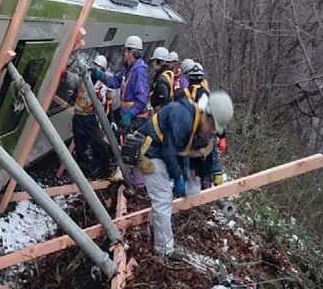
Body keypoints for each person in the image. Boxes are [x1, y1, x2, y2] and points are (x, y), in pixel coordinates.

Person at [136, 91, 234, 257]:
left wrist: (187, 176)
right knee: (163, 199)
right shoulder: (183, 117)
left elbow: (183, 152)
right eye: (211, 127)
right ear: (207, 116)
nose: (210, 131)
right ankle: (164, 250)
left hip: (159, 151)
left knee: (163, 197)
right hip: (150, 152)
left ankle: (154, 230)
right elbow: (169, 152)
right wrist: (178, 178)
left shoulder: (194, 119)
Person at [63, 55, 112, 176]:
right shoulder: (85, 77)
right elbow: (74, 80)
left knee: (97, 143)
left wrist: (101, 99)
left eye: (99, 67)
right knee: (80, 143)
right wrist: (65, 75)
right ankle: (83, 168)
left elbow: (104, 103)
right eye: (95, 65)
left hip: (90, 117)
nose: (96, 68)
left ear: (103, 70)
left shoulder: (103, 85)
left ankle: (104, 167)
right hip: (78, 115)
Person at [91, 36, 149, 133]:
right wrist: (100, 75)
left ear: (132, 52)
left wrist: (130, 114)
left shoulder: (139, 72)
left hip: (132, 117)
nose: (124, 53)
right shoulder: (128, 69)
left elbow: (142, 99)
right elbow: (114, 81)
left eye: (125, 50)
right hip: (124, 112)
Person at [149, 47, 175, 112]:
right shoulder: (168, 75)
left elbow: (163, 102)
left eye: (154, 61)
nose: (153, 64)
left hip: (159, 114)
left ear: (160, 62)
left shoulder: (161, 80)